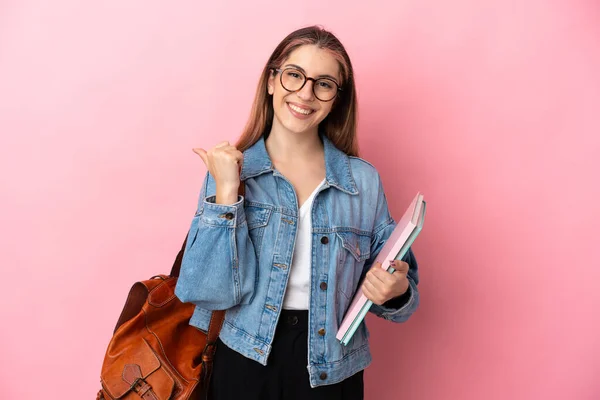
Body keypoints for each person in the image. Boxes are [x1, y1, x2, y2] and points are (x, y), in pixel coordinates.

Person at [175, 25, 420, 400]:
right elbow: (206, 291)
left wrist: (396, 289)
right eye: (294, 75)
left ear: (337, 98)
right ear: (272, 81)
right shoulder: (230, 172)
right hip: (244, 360)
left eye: (323, 83)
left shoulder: (363, 182)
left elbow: (403, 302)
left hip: (332, 370)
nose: (305, 93)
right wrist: (226, 192)